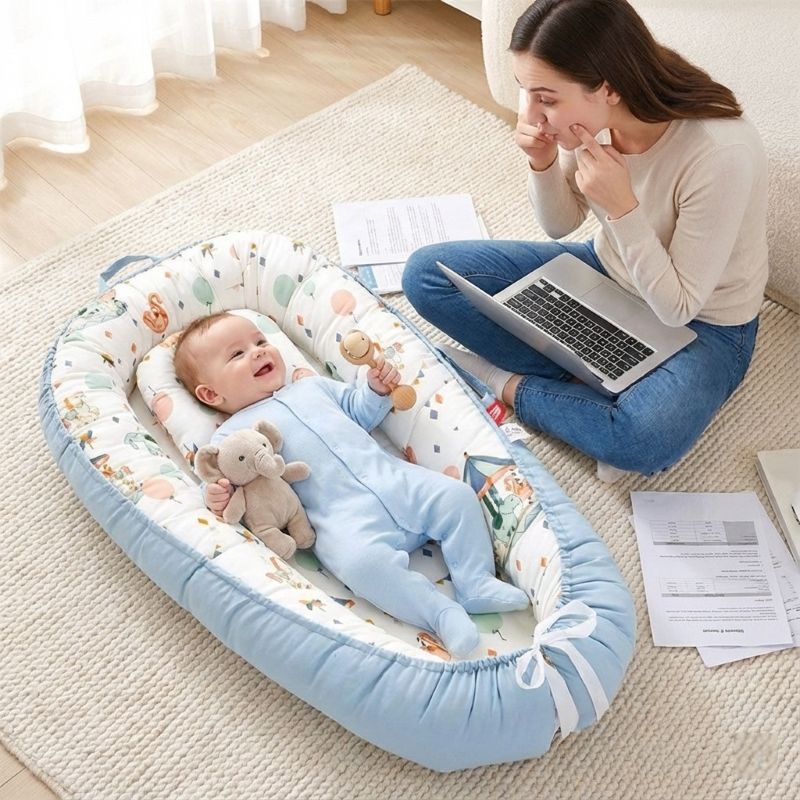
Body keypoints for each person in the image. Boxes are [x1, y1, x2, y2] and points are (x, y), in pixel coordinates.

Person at [402, 0, 767, 479]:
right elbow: (560, 225)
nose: (530, 114)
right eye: (525, 93)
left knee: (645, 439)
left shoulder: (721, 154)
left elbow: (677, 307)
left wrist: (623, 209)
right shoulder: (596, 122)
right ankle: (592, 385)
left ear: (608, 88)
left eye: (547, 99)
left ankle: (507, 383)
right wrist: (542, 162)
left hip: (706, 323)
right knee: (427, 276)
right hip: (606, 271)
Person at [173, 312, 529, 657]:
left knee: (457, 497)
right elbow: (230, 480)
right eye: (238, 353)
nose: (259, 351)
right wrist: (217, 495)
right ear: (210, 395)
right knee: (363, 566)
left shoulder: (311, 386)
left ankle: (473, 580)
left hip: (395, 479)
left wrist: (375, 389)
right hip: (340, 520)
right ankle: (439, 613)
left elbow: (360, 412)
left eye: (260, 341)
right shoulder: (232, 434)